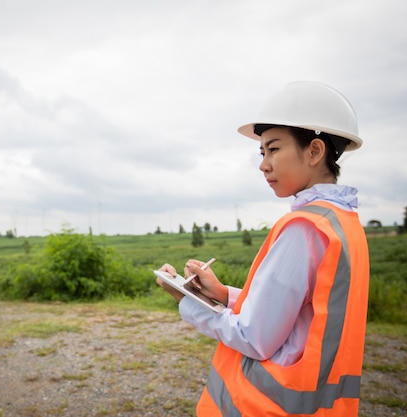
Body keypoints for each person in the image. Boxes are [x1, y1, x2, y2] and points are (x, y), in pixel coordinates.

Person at [157, 81, 370, 416]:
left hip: (265, 407)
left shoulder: (304, 228)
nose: (263, 164)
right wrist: (223, 293)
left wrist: (188, 302)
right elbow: (300, 315)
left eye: (273, 149)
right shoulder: (343, 223)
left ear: (314, 151)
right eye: (262, 152)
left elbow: (255, 337)